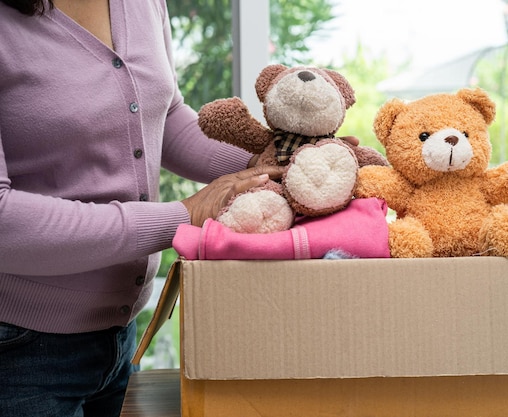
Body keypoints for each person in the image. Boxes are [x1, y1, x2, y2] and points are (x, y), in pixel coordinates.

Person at [0, 0, 295, 416]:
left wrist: (269, 167)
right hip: (18, 347)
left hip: (120, 337)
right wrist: (183, 217)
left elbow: (164, 114)